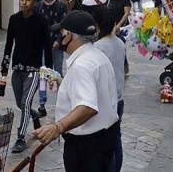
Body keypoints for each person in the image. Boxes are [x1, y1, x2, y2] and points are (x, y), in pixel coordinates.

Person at [33, 10, 118, 172]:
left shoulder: (82, 65)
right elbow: (95, 92)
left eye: (62, 33)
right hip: (104, 140)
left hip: (87, 147)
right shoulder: (97, 56)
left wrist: (58, 127)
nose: (59, 37)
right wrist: (64, 82)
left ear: (70, 36)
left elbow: (88, 107)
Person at [1, 0, 53, 153]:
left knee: (25, 104)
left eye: (28, 0)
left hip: (34, 70)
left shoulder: (42, 21)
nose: (24, 3)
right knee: (20, 103)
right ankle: (35, 115)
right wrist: (5, 64)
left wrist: (49, 71)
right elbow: (9, 44)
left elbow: (47, 47)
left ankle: (21, 138)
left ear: (34, 2)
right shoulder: (13, 19)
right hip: (17, 69)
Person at [94, 7, 126, 172]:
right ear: (114, 23)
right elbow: (125, 69)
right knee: (116, 137)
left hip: (104, 102)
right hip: (119, 99)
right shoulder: (120, 43)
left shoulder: (97, 47)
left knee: (103, 142)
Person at [36, 0, 67, 117]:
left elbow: (65, 25)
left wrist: (59, 41)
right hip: (42, 44)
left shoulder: (61, 6)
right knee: (42, 74)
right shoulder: (38, 6)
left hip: (56, 45)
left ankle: (62, 102)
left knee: (58, 73)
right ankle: (42, 103)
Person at [108, 0, 131, 74]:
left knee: (120, 47)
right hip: (110, 26)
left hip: (121, 28)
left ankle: (124, 65)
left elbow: (126, 13)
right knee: (111, 47)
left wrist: (119, 25)